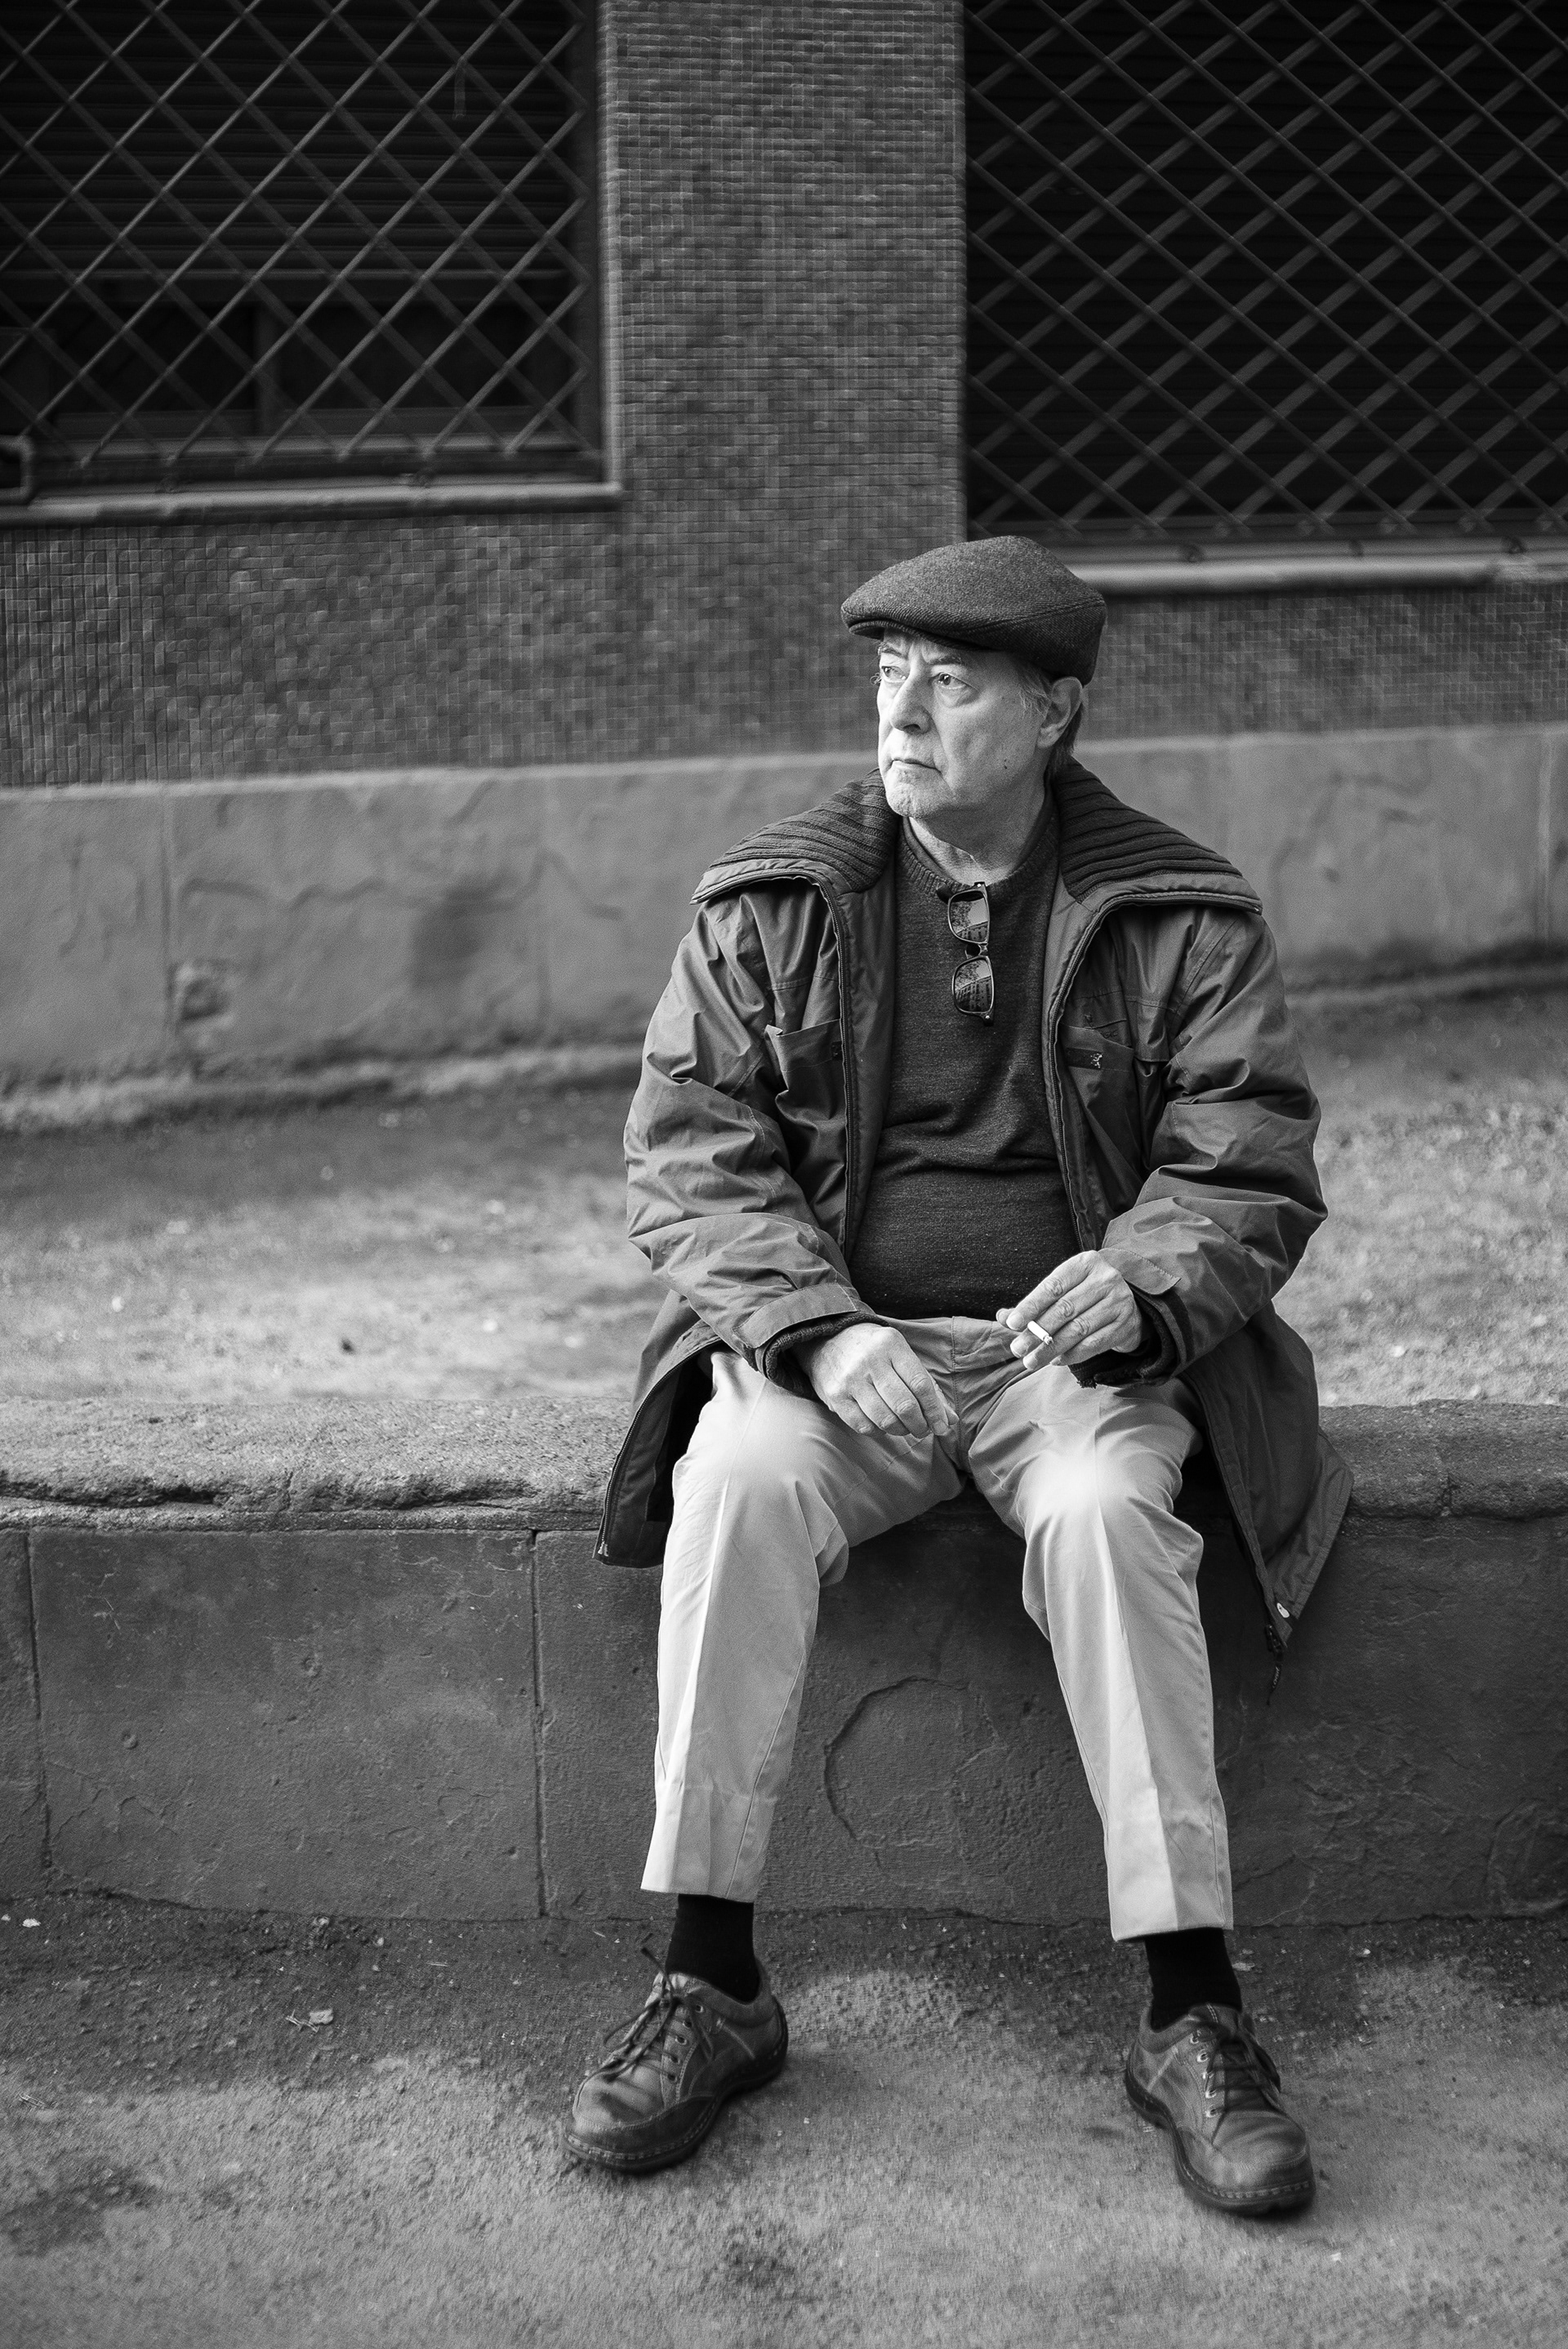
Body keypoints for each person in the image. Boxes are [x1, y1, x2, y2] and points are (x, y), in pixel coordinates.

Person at [563, 536, 1352, 2213]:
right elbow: (690, 1152)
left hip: (1063, 1363)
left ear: (1055, 712)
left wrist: (1140, 1280)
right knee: (735, 1480)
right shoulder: (775, 901)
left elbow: (1247, 1159)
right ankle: (710, 1980)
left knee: (1108, 1511)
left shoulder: (1179, 912)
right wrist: (818, 1326)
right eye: (887, 677)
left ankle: (1192, 2012)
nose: (904, 715)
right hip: (837, 1361)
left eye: (953, 682)